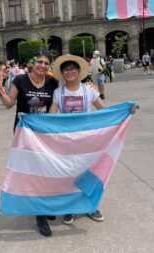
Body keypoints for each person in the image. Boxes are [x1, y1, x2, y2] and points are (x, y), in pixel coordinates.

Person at [49, 54, 136, 225]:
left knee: (89, 173)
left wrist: (125, 111)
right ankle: (70, 208)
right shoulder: (58, 92)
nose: (70, 71)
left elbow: (104, 111)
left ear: (79, 71)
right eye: (66, 69)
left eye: (73, 68)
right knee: (69, 174)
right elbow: (51, 116)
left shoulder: (89, 89)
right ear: (62, 73)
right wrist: (31, 121)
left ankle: (90, 206)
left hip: (88, 140)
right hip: (67, 141)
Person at [0, 50, 59, 237]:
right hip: (24, 134)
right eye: (39, 62)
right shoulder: (20, 80)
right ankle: (40, 214)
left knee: (46, 170)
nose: (42, 66)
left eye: (46, 63)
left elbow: (66, 93)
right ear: (32, 63)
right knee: (34, 172)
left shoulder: (53, 82)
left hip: (45, 133)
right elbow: (8, 103)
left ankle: (44, 206)